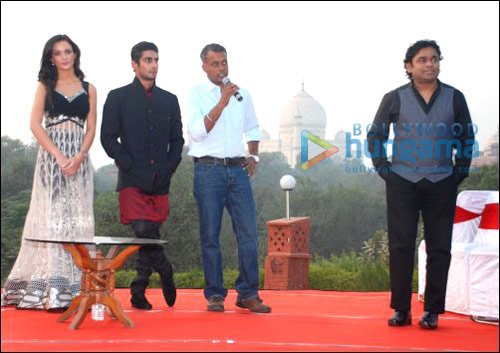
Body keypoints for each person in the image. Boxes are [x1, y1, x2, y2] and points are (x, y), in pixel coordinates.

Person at [367, 40, 475, 329]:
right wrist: (384, 169)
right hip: (402, 181)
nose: (430, 64)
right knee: (401, 245)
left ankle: (432, 311)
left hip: (442, 182)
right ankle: (401, 309)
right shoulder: (394, 98)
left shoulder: (455, 97)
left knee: (440, 247)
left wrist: (459, 171)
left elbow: (466, 138)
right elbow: (376, 135)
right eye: (422, 60)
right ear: (408, 66)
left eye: (434, 59)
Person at [1, 34, 97, 311]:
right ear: (51, 58)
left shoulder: (89, 88)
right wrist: (58, 156)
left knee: (75, 220)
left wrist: (79, 156)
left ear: (75, 54)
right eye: (58, 53)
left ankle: (76, 286)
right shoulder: (45, 86)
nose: (64, 56)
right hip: (51, 160)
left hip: (79, 162)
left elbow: (90, 128)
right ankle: (52, 289)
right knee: (52, 218)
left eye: (68, 51)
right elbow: (34, 124)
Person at [187, 43, 271, 313]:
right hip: (208, 171)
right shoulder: (197, 94)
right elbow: (198, 133)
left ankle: (248, 293)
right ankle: (215, 294)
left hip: (237, 170)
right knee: (210, 234)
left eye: (224, 62)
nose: (221, 68)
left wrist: (254, 155)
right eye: (215, 64)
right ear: (204, 67)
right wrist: (221, 101)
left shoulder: (242, 94)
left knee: (248, 233)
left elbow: (253, 127)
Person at [101, 41, 184, 310]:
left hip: (160, 180)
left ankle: (138, 291)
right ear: (134, 64)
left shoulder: (169, 100)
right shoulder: (118, 97)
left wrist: (170, 167)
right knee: (144, 231)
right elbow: (108, 138)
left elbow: (177, 140)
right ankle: (166, 270)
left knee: (147, 235)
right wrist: (127, 164)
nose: (153, 65)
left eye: (156, 59)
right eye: (148, 60)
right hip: (132, 179)